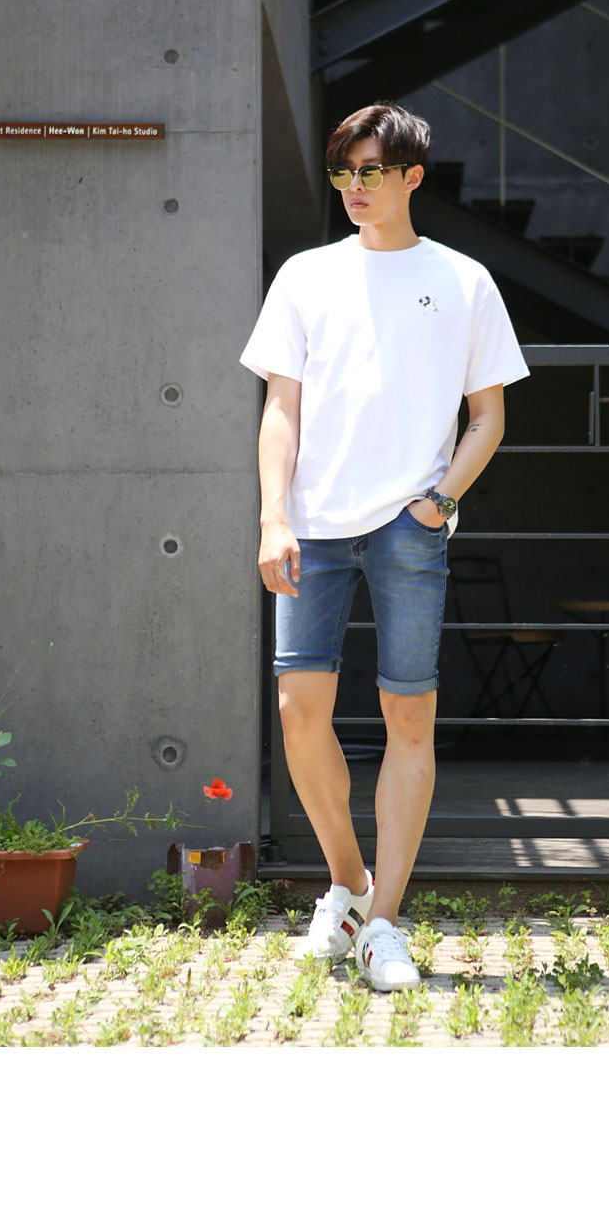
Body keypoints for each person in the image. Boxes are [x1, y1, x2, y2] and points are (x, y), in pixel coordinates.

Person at [239, 103, 529, 992]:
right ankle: (348, 884)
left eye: (371, 170)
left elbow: (488, 415)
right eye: (343, 172)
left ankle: (386, 923)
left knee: (409, 717)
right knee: (298, 711)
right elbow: (280, 408)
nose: (355, 187)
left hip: (409, 527)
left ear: (412, 176)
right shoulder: (305, 275)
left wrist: (438, 502)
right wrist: (273, 517)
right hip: (313, 526)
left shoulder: (464, 279)